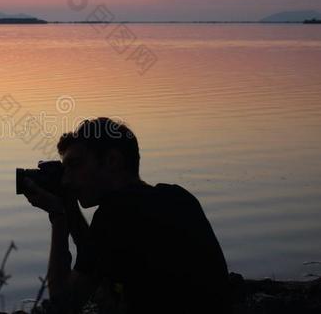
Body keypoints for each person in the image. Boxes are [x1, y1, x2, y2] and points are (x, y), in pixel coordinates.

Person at [22, 117, 231, 313]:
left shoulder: (114, 215)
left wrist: (58, 218)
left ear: (113, 161)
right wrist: (70, 209)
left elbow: (64, 303)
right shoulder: (179, 197)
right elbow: (93, 256)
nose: (66, 181)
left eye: (75, 166)